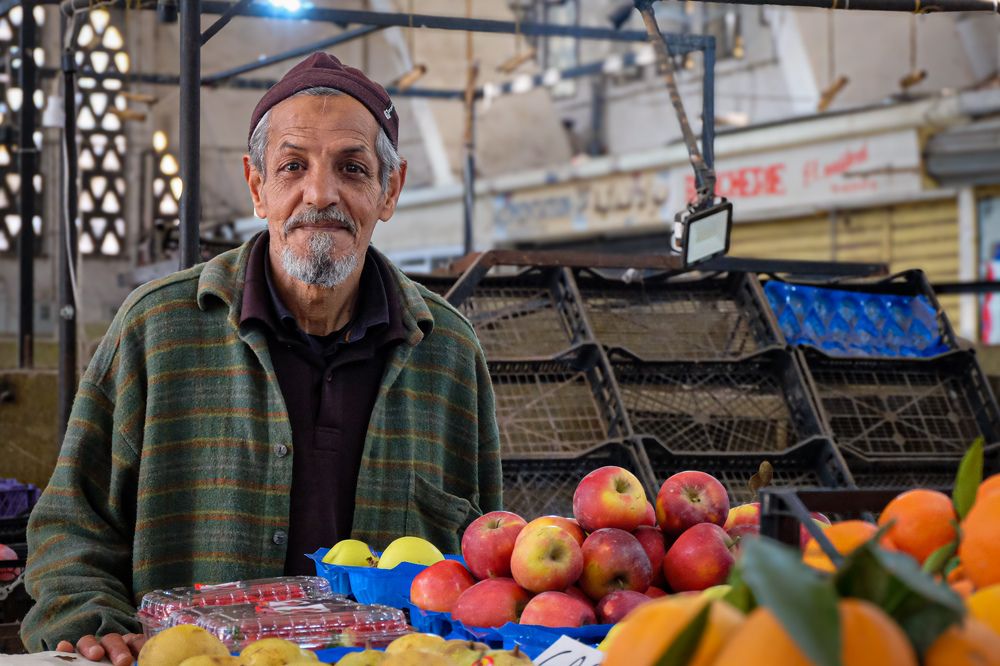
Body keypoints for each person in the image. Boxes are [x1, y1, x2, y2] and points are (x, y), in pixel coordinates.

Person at [20, 52, 502, 664]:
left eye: (352, 168)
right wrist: (91, 619)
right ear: (256, 185)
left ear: (390, 190)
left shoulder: (449, 354)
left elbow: (484, 554)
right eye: (293, 166)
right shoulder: (157, 331)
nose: (320, 193)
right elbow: (71, 524)